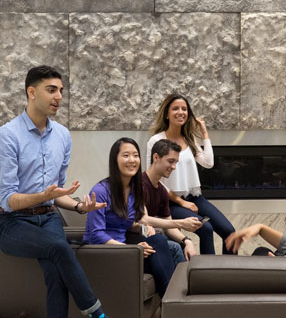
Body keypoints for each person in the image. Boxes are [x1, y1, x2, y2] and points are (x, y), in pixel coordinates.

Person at [0, 66, 108, 318]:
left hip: (49, 218)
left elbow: (57, 192)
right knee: (58, 247)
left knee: (56, 272)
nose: (59, 97)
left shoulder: (63, 136)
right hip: (12, 223)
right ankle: (96, 313)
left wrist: (78, 206)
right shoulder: (8, 136)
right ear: (31, 92)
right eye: (51, 90)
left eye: (61, 91)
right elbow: (8, 200)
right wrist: (44, 196)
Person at [83, 137, 177, 296]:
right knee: (163, 248)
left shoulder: (135, 190)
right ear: (115, 159)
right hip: (104, 254)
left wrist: (141, 232)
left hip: (125, 251)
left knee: (161, 243)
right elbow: (96, 234)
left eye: (135, 155)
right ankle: (175, 302)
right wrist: (132, 249)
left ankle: (174, 300)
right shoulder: (100, 191)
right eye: (126, 155)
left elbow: (132, 221)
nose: (132, 160)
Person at [147, 93, 236, 255]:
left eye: (184, 109)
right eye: (175, 109)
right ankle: (206, 276)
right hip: (170, 202)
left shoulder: (188, 139)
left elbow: (208, 163)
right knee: (206, 228)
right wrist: (182, 203)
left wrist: (204, 134)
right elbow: (152, 179)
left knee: (230, 232)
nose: (180, 112)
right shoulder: (156, 141)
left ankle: (227, 275)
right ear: (166, 114)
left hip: (195, 198)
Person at [143, 139, 202, 264]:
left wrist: (187, 240)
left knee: (182, 246)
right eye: (170, 161)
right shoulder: (140, 184)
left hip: (155, 238)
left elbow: (169, 225)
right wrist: (181, 223)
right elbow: (143, 219)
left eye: (176, 162)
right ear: (156, 157)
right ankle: (181, 283)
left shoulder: (162, 191)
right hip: (140, 240)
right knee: (175, 248)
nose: (174, 167)